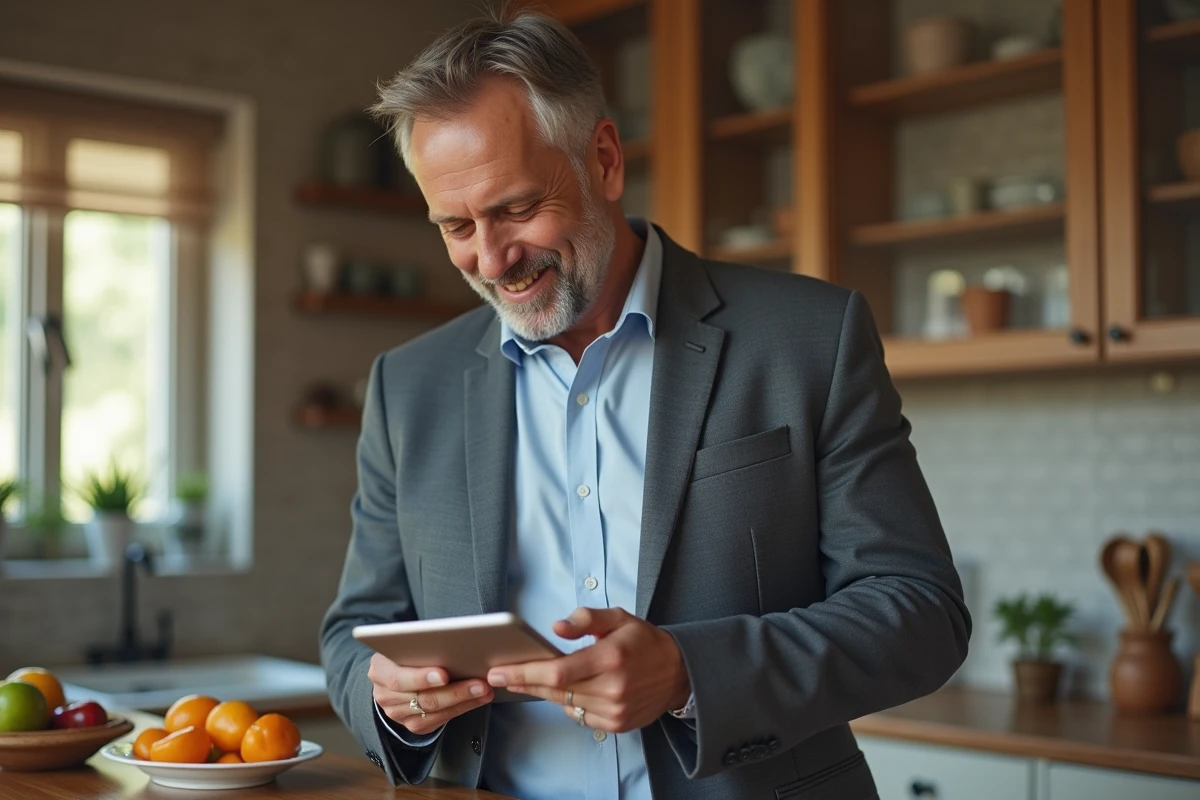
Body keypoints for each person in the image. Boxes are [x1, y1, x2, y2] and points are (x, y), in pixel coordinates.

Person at [319, 8, 970, 800]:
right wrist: (394, 699)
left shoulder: (809, 338)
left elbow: (921, 611)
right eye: (455, 225)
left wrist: (692, 673)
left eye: (518, 209)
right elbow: (354, 635)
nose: (491, 260)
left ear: (604, 157)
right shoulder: (406, 387)